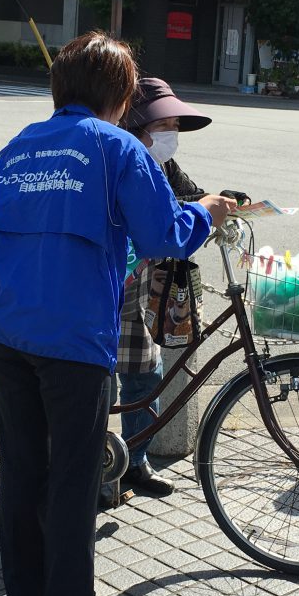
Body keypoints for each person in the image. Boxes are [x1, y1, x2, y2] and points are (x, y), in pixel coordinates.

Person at [0, 32, 236, 596]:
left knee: (21, 462)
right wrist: (209, 210)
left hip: (6, 325)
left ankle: (25, 590)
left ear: (59, 88)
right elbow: (164, 236)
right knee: (72, 478)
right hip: (71, 337)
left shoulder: (20, 145)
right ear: (121, 94)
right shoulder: (117, 146)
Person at [101, 78, 212, 507]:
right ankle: (100, 472)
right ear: (136, 124)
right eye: (162, 123)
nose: (171, 134)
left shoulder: (159, 164)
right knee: (100, 387)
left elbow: (191, 195)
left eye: (174, 125)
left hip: (139, 287)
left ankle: (135, 460)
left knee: (145, 375)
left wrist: (219, 203)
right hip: (105, 284)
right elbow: (157, 229)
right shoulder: (117, 157)